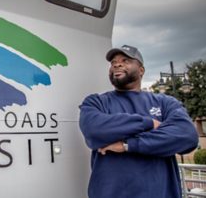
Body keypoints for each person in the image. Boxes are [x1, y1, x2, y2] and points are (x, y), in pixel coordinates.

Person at [79, 45, 199, 198]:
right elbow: (93, 129)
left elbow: (187, 136)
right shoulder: (96, 102)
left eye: (125, 60)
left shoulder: (165, 102)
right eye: (113, 62)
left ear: (141, 70)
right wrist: (148, 123)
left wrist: (127, 145)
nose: (117, 64)